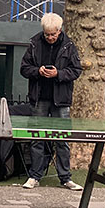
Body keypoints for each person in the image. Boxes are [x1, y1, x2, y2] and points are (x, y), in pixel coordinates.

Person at [20, 12, 83, 191]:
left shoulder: (69, 45)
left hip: (61, 100)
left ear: (59, 30)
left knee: (62, 139)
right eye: (47, 34)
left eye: (53, 34)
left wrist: (59, 74)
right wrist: (37, 71)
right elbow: (24, 68)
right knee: (37, 138)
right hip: (39, 97)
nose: (49, 38)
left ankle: (65, 177)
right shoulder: (34, 43)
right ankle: (34, 176)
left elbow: (76, 70)